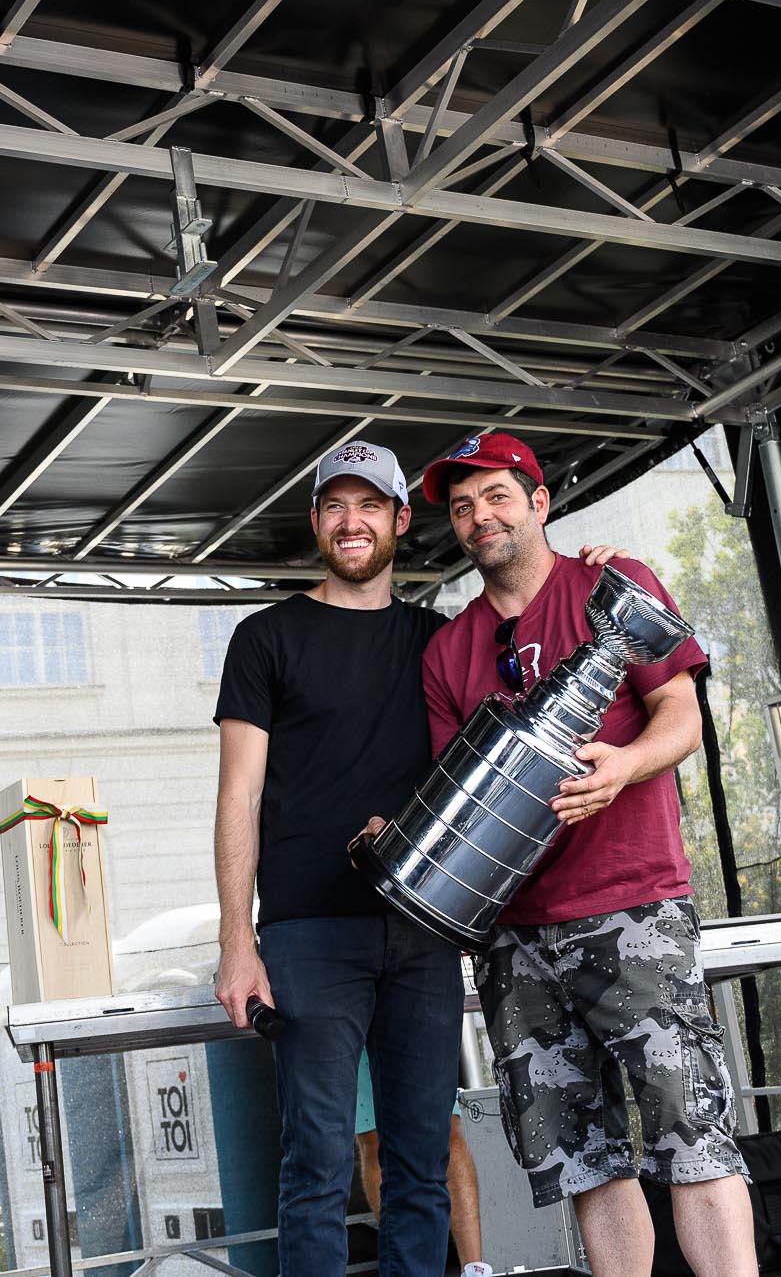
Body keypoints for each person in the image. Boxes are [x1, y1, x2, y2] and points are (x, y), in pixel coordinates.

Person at [417, 432, 756, 1277]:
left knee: (693, 1137)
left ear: (538, 501)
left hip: (632, 903)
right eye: (462, 507)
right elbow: (457, 803)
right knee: (583, 1161)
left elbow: (681, 713)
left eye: (496, 495)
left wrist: (626, 766)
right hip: (516, 937)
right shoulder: (445, 651)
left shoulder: (617, 585)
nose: (478, 516)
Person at [211, 440, 461, 1277]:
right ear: (316, 522)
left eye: (368, 506)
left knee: (421, 1166)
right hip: (309, 936)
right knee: (316, 1167)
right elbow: (237, 797)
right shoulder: (265, 638)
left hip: (425, 934)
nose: (350, 522)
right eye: (333, 507)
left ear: (399, 519)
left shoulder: (442, 641)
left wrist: (591, 565)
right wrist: (237, 942)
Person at [351, 1051, 493, 1277]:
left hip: (417, 1019)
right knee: (374, 1139)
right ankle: (405, 1264)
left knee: (446, 1131)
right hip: (353, 1022)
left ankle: (475, 1270)